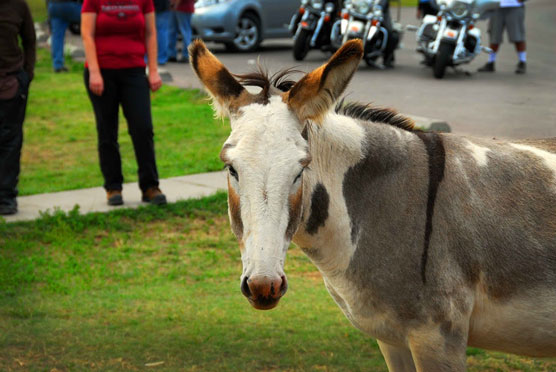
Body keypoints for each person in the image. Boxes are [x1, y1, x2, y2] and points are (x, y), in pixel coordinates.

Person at [81, 0, 167, 206]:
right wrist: (94, 72)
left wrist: (153, 70)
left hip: (134, 71)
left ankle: (150, 186)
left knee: (143, 128)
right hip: (101, 72)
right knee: (107, 132)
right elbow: (87, 34)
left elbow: (150, 33)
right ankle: (113, 187)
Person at [0, 0, 36, 215]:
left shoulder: (18, 5)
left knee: (10, 141)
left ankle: (6, 196)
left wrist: (27, 75)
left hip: (11, 83)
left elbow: (30, 41)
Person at [478, 0, 527, 74]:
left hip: (514, 6)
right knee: (494, 36)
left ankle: (522, 61)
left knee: (517, 35)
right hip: (497, 6)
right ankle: (491, 62)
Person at [47, 0, 82, 72]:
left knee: (57, 36)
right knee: (91, 20)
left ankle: (58, 65)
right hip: (70, 5)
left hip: (54, 5)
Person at [154, 0, 171, 65]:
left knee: (149, 31)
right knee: (162, 32)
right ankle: (161, 58)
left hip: (152, 5)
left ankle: (148, 57)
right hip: (163, 6)